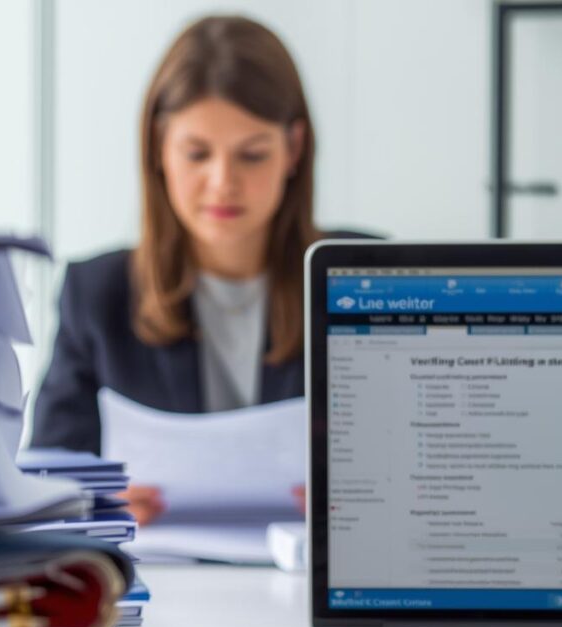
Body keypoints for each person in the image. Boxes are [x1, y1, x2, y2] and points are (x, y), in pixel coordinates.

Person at [31, 14, 374, 524]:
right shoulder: (97, 295)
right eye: (197, 154)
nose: (222, 183)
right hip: (165, 569)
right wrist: (93, 501)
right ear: (158, 148)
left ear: (293, 149)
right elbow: (44, 488)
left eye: (252, 156)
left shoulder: (366, 279)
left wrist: (377, 494)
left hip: (313, 565)